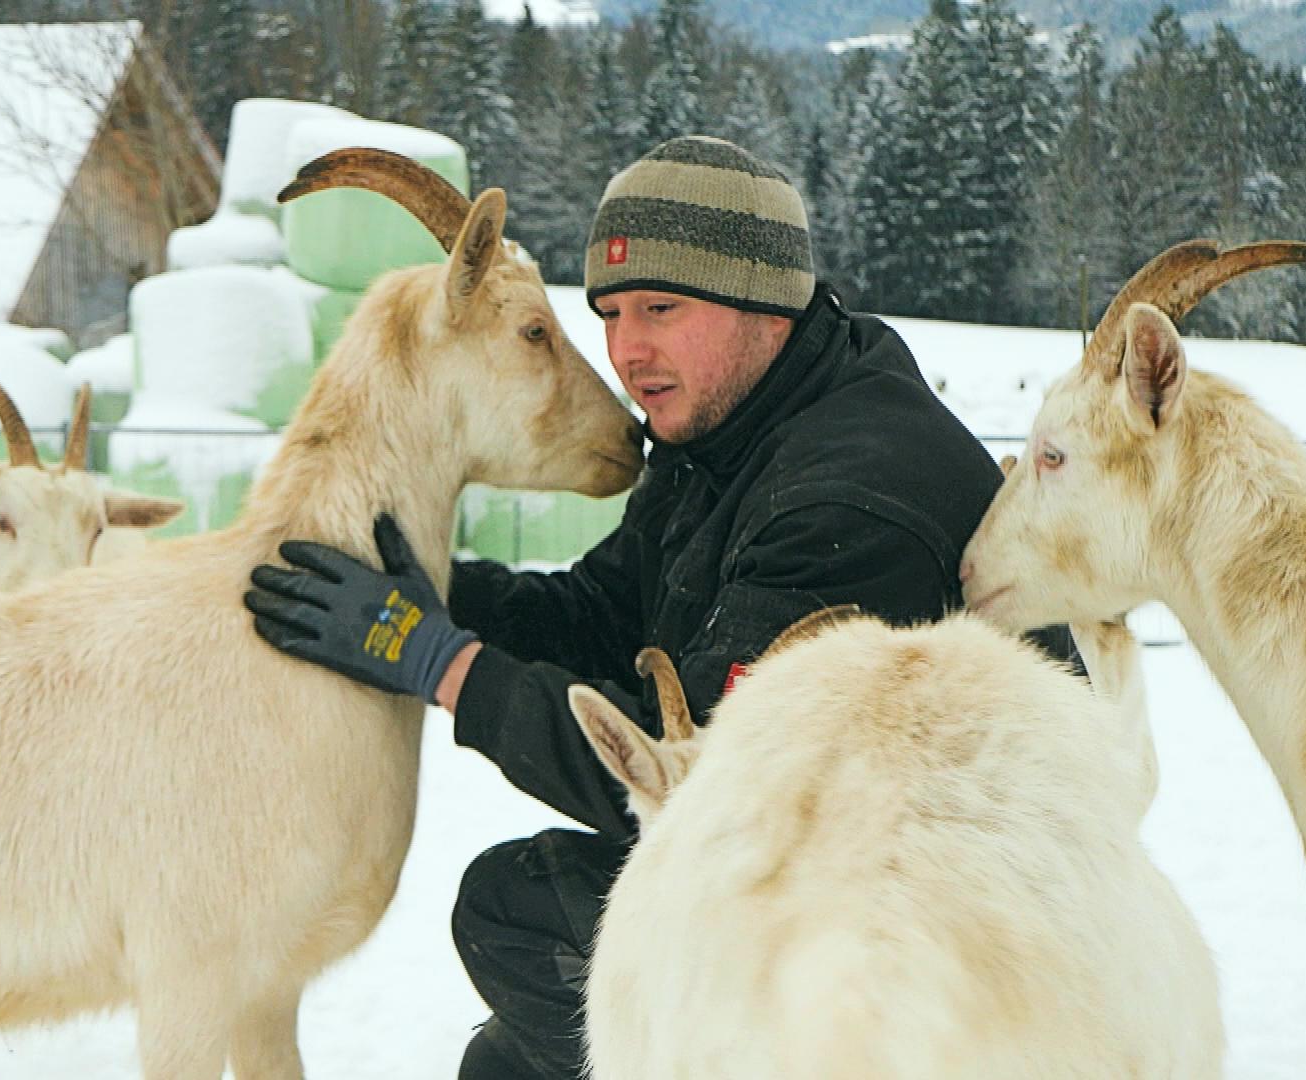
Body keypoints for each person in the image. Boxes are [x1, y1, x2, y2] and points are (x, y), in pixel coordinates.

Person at [245, 134, 1068, 1078]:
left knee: (522, 909)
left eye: (661, 309)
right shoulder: (731, 429)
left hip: (952, 962)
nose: (628, 351)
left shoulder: (842, 499)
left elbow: (698, 779)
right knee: (507, 1064)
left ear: (763, 300)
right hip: (826, 878)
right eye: (609, 313)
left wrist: (443, 664)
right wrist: (441, 591)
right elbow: (604, 612)